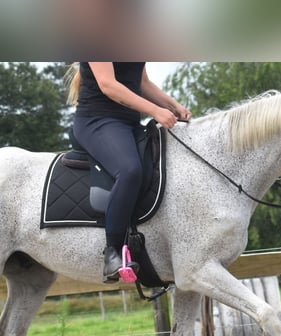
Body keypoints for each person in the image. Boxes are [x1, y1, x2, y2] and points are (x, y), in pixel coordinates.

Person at [66, 62, 192, 282]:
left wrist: (173, 106)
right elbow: (108, 85)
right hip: (97, 121)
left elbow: (143, 83)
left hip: (129, 124)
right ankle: (113, 253)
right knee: (129, 171)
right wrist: (155, 110)